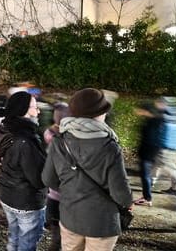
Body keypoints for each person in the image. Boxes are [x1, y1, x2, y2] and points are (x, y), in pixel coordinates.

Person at [42, 88, 133, 251]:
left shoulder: (59, 141)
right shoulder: (110, 147)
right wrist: (128, 203)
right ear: (98, 114)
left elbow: (48, 179)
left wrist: (72, 188)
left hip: (70, 216)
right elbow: (121, 194)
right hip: (102, 223)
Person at [0, 91, 46, 251]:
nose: (38, 111)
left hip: (8, 195)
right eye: (35, 107)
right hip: (26, 203)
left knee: (14, 238)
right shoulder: (25, 141)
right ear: (23, 110)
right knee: (26, 245)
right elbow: (37, 179)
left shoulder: (4, 129)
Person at [43, 102, 70, 251]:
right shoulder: (67, 141)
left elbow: (47, 176)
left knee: (57, 238)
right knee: (63, 240)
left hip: (53, 197)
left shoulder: (49, 135)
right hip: (67, 199)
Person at [151, 96, 176, 196]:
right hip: (175, 147)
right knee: (168, 167)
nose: (157, 105)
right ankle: (174, 188)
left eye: (159, 103)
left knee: (160, 166)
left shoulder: (164, 117)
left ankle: (150, 184)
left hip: (164, 146)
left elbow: (158, 132)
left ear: (165, 104)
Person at [133, 99, 164, 207]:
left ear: (146, 111)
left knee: (145, 175)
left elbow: (149, 139)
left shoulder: (153, 122)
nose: (138, 111)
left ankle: (147, 198)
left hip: (148, 152)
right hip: (153, 151)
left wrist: (143, 153)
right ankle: (146, 196)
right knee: (148, 175)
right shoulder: (156, 120)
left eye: (140, 110)